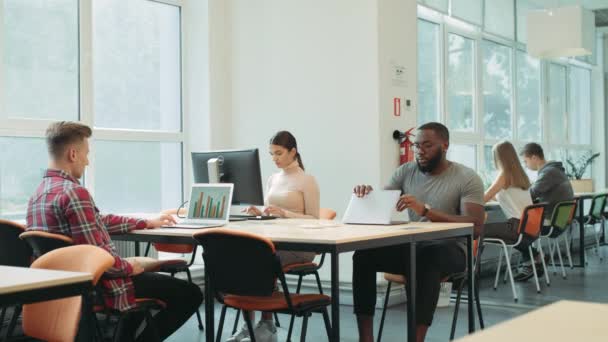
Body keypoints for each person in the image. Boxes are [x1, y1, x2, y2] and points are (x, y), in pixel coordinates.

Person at [26, 121, 203, 341]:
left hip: (66, 286)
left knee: (147, 288)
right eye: (86, 154)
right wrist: (132, 266)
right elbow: (97, 258)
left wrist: (144, 223)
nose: (87, 161)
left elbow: (96, 221)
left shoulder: (38, 194)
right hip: (100, 285)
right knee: (190, 293)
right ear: (73, 154)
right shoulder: (75, 193)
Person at [352, 122, 485, 342]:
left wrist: (426, 211)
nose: (419, 151)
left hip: (453, 249)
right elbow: (382, 205)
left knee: (427, 257)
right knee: (364, 255)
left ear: (445, 145)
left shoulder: (467, 178)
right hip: (415, 245)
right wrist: (367, 195)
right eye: (416, 145)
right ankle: (365, 338)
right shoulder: (406, 171)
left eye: (427, 145)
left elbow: (475, 226)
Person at [230, 130, 320, 342]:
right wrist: (260, 212)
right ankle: (250, 326)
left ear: (293, 152)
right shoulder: (273, 179)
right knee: (248, 257)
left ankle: (267, 325)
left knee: (260, 259)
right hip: (276, 242)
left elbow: (316, 219)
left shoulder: (306, 180)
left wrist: (285, 213)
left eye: (279, 153)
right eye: (272, 154)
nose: (275, 159)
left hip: (302, 247)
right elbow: (271, 211)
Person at [516, 142, 574, 281]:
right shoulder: (554, 171)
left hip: (551, 223)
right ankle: (535, 260)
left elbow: (532, 193)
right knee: (519, 226)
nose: (526, 165)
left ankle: (533, 261)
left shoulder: (549, 173)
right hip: (558, 221)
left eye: (526, 161)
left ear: (534, 158)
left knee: (516, 230)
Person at [483, 141, 539, 277]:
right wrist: (494, 197)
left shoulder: (504, 174)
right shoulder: (521, 175)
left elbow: (484, 197)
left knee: (476, 230)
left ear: (499, 157)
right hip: (530, 228)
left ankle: (471, 274)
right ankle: (535, 258)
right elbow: (509, 197)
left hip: (516, 227)